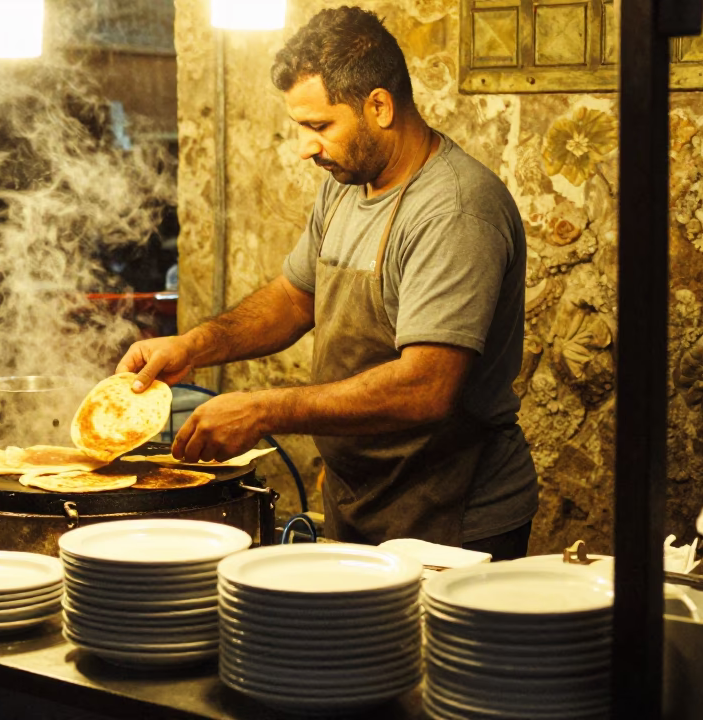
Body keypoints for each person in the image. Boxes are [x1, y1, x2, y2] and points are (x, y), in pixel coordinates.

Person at [115, 7, 537, 560]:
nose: (305, 147)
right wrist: (194, 346)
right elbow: (295, 299)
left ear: (379, 106)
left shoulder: (454, 210)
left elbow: (425, 387)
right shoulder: (347, 184)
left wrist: (263, 409)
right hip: (360, 499)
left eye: (320, 127)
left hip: (454, 517)